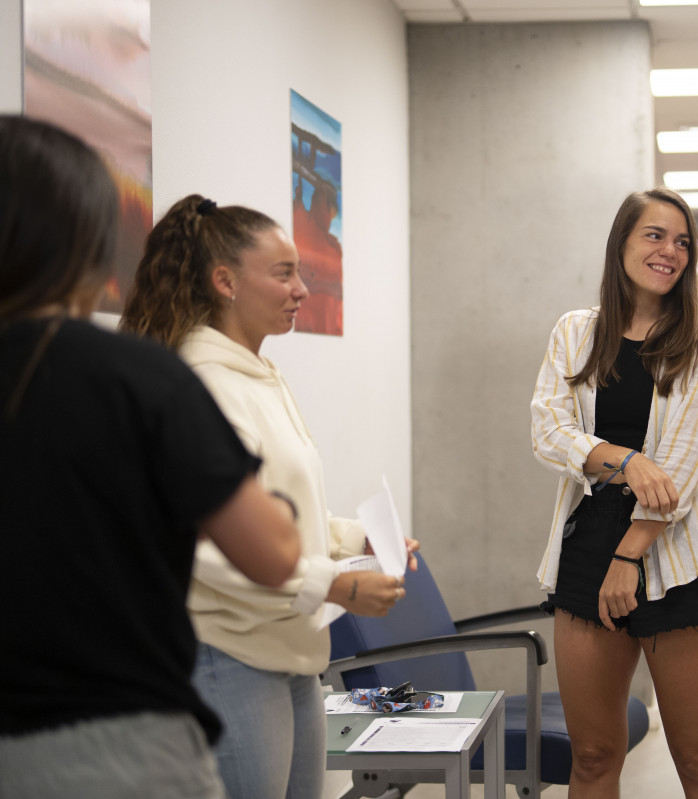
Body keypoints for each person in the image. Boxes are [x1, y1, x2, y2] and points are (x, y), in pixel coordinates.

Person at [0, 115, 301, 798]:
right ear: (88, 242)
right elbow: (271, 551)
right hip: (113, 741)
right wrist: (279, 506)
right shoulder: (140, 376)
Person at [120, 194, 417, 799]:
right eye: (284, 273)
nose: (302, 289)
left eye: (301, 273)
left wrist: (354, 540)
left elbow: (279, 509)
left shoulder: (259, 375)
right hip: (225, 651)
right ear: (224, 281)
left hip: (291, 648)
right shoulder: (203, 383)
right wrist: (330, 583)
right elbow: (200, 545)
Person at [531, 187, 698, 797]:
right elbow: (548, 431)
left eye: (682, 242)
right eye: (654, 235)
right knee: (593, 756)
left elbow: (684, 465)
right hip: (585, 550)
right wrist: (625, 460)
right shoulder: (576, 332)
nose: (669, 251)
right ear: (621, 242)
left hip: (674, 554)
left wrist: (629, 554)